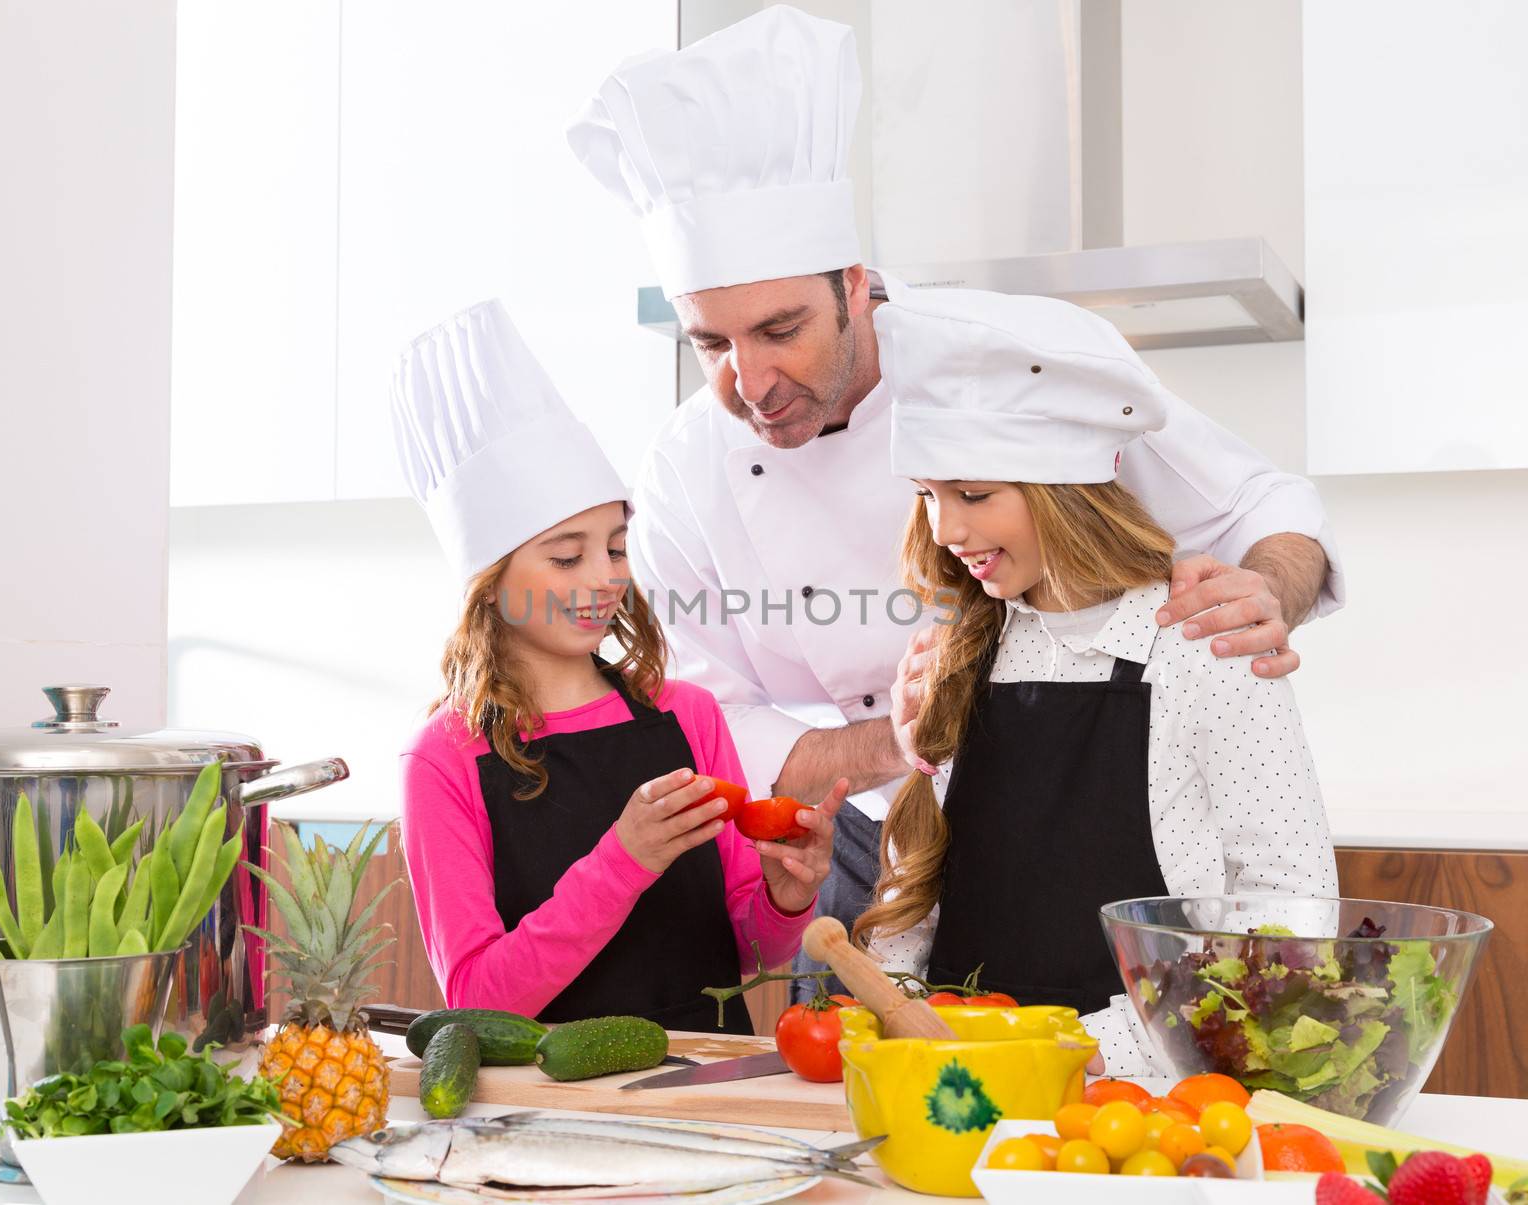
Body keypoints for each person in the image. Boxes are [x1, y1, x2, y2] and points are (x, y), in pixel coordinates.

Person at [567, 5, 1343, 996]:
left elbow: (1262, 507)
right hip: (850, 835)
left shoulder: (1011, 362)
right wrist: (907, 736)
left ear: (856, 286)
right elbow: (693, 705)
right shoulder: (685, 462)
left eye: (780, 328)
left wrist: (1263, 590)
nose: (750, 381)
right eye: (711, 344)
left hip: (1072, 829)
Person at [855, 283, 1338, 1072]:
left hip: (1149, 1099)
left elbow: (1287, 918)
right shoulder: (961, 649)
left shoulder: (1203, 643)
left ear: (1066, 493)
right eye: (928, 496)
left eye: (974, 493)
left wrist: (1082, 1050)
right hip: (959, 1089)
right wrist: (896, 1008)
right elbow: (918, 902)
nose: (948, 530)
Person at [392, 299, 844, 1034]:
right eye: (567, 555)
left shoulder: (686, 714)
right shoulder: (443, 756)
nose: (604, 577)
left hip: (706, 1090)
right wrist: (624, 858)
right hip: (545, 1107)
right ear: (490, 579)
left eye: (613, 546)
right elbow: (479, 1003)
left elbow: (750, 950)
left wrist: (787, 895)